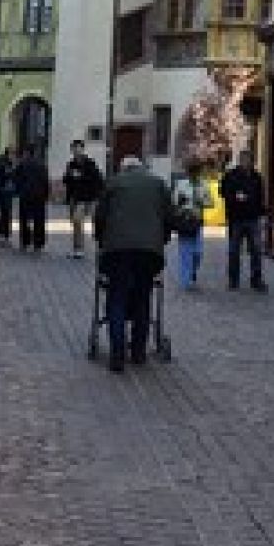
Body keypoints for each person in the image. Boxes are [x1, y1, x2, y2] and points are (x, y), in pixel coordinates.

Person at [94, 154, 177, 372]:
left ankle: (117, 354)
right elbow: (170, 217)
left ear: (123, 168)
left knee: (117, 298)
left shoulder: (113, 183)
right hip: (148, 252)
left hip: (117, 250)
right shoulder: (158, 184)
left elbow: (100, 217)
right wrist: (161, 240)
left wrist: (101, 241)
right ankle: (138, 351)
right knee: (142, 297)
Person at [219, 148, 267, 293]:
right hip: (236, 218)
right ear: (240, 161)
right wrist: (235, 197)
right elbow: (223, 192)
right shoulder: (231, 175)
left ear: (252, 161)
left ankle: (256, 280)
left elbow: (260, 197)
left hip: (253, 218)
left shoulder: (256, 177)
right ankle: (233, 280)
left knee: (256, 250)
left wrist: (261, 213)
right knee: (234, 251)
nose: (246, 162)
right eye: (243, 160)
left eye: (248, 160)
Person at [63, 137, 103, 257]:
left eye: (78, 148)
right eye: (74, 149)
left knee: (89, 221)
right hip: (75, 198)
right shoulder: (71, 164)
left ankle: (97, 246)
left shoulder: (90, 163)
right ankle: (78, 248)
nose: (76, 151)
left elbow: (97, 179)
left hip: (88, 197)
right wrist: (69, 177)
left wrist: (80, 176)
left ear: (82, 149)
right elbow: (66, 180)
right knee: (76, 223)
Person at [173, 166, 208, 291]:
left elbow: (210, 202)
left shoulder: (203, 185)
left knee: (198, 253)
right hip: (185, 220)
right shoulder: (181, 184)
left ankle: (191, 273)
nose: (194, 175)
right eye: (191, 172)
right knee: (185, 253)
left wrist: (202, 201)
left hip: (197, 222)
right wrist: (180, 202)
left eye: (196, 172)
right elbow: (174, 202)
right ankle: (186, 281)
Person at [15, 146, 49, 251]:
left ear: (26, 153)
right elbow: (45, 180)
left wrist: (19, 191)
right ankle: (38, 242)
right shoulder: (41, 165)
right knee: (39, 219)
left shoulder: (22, 165)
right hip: (39, 195)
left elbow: (16, 179)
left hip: (26, 195)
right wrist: (46, 194)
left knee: (25, 219)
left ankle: (25, 241)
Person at [0, 149, 15, 241]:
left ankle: (2, 229)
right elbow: (8, 176)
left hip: (3, 191)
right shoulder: (6, 165)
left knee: (3, 211)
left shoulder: (2, 164)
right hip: (6, 191)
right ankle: (5, 230)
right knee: (6, 211)